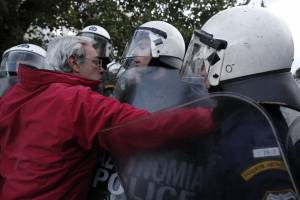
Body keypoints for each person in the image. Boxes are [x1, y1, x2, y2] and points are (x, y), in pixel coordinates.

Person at [0, 35, 214, 200]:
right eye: (96, 62)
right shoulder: (77, 100)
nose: (102, 70)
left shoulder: (16, 95)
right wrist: (209, 117)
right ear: (74, 62)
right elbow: (143, 126)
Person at [181, 5, 300, 199]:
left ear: (237, 61)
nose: (203, 71)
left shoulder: (254, 138)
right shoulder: (249, 119)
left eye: (209, 60)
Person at [89, 21, 209, 200]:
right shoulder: (129, 83)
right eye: (136, 45)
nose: (135, 52)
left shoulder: (188, 87)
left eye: (142, 46)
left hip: (163, 179)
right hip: (123, 177)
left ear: (164, 48)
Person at [77, 25, 117, 96]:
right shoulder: (71, 70)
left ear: (104, 49)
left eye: (95, 46)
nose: (89, 48)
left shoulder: (109, 77)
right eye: (84, 44)